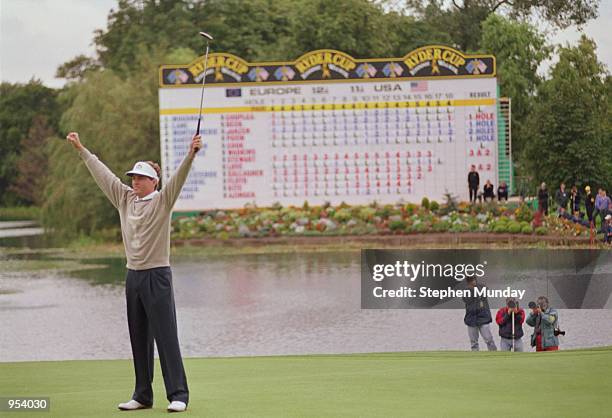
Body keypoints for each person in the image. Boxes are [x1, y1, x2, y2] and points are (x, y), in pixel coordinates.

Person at [66, 131, 201, 413]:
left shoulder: (163, 201)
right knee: (138, 336)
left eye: (141, 177)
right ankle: (142, 395)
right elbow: (104, 175)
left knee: (166, 336)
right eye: (133, 177)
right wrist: (82, 149)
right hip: (134, 276)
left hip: (158, 275)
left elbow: (179, 178)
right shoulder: (124, 199)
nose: (135, 181)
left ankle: (178, 395)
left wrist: (190, 155)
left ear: (154, 182)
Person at [462, 276, 497, 351]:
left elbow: (485, 290)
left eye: (474, 280)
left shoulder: (482, 287)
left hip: (483, 318)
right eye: (471, 281)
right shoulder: (466, 291)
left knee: (489, 340)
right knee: (473, 342)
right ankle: (475, 358)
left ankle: (494, 355)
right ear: (468, 282)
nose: (473, 282)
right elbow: (466, 299)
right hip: (471, 319)